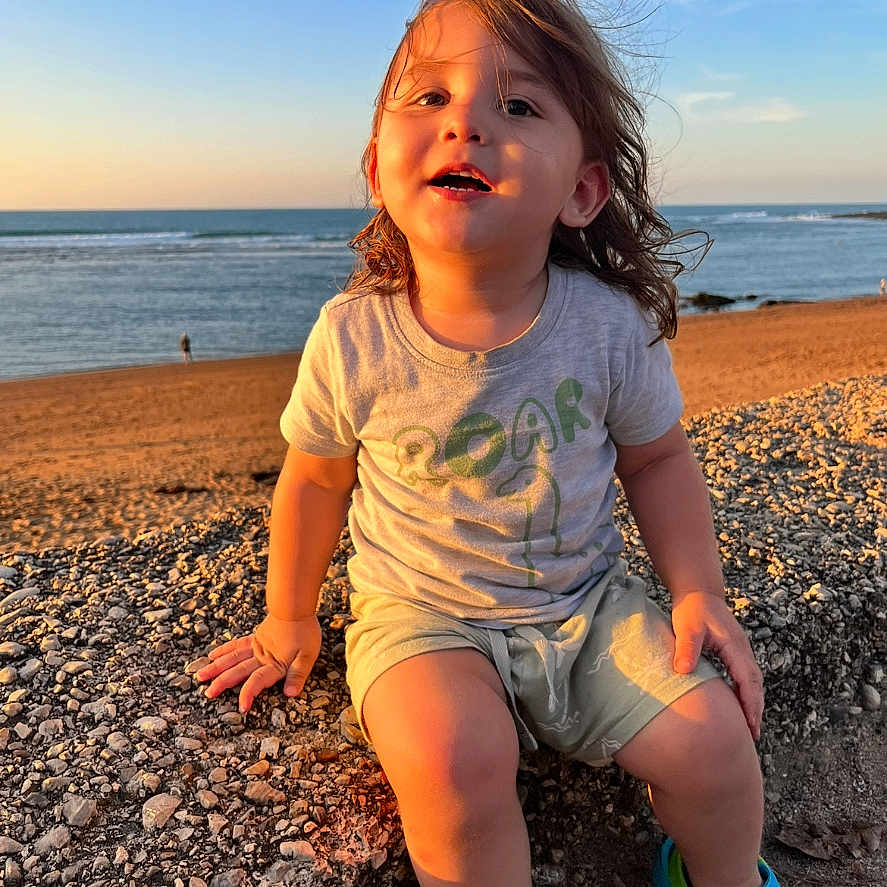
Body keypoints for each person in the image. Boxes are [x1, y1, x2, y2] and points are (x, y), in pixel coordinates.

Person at [195, 2, 779, 885]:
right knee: (451, 764)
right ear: (377, 165)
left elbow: (657, 460)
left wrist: (698, 591)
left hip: (589, 610)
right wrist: (289, 615)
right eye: (428, 96)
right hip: (421, 617)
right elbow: (315, 481)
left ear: (581, 191)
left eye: (518, 107)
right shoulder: (355, 336)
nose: (464, 121)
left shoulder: (608, 329)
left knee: (716, 746)